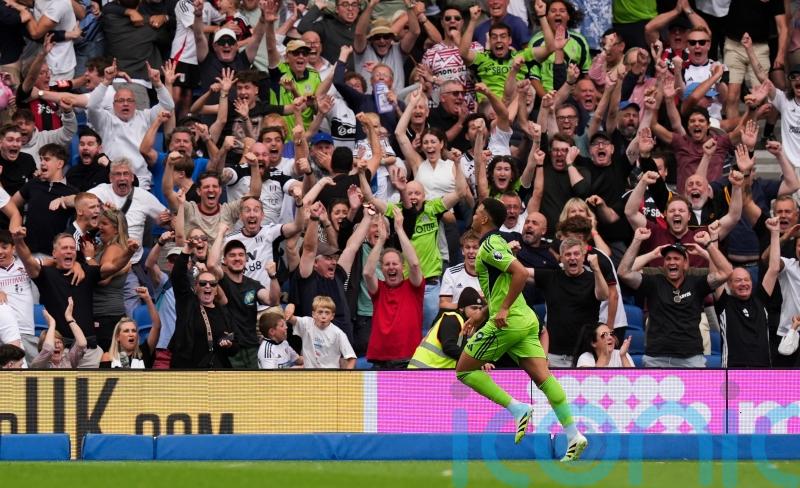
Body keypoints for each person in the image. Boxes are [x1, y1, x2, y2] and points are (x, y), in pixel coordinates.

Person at [456, 198, 587, 462]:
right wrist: (482, 314)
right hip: (526, 319)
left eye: (478, 211)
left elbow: (518, 274)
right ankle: (574, 435)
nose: (473, 214)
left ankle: (517, 408)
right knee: (543, 377)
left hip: (509, 321)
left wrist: (501, 310)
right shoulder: (500, 243)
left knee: (465, 370)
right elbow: (501, 283)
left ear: (484, 219)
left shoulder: (490, 243)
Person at [618, 226, 732, 367]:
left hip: (691, 359)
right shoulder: (653, 281)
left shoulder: (696, 282)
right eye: (668, 259)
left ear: (685, 263)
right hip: (656, 358)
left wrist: (707, 247)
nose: (672, 262)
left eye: (677, 259)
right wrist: (638, 241)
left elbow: (726, 272)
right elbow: (623, 272)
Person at [714, 217, 781, 367]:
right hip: (732, 373)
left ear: (752, 282)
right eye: (738, 280)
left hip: (762, 372)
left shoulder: (761, 300)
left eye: (746, 279)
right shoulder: (724, 303)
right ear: (729, 285)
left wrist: (775, 233)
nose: (743, 283)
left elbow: (774, 269)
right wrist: (712, 240)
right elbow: (717, 273)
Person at [363, 211, 425, 368]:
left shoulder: (414, 287)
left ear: (402, 267)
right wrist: (381, 240)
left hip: (407, 359)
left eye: (395, 264)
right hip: (380, 360)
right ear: (382, 269)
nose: (391, 267)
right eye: (387, 264)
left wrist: (399, 228)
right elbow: (367, 273)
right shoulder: (379, 289)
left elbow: (415, 264)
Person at [168, 238, 237, 369]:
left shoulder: (224, 312)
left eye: (212, 284)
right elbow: (177, 276)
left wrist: (230, 345)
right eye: (203, 283)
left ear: (216, 290)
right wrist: (187, 249)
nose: (207, 286)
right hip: (188, 370)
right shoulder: (188, 303)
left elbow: (235, 346)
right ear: (195, 287)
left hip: (217, 372)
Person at [408, 287, 485, 369]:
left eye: (480, 309)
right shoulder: (452, 319)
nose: (478, 312)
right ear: (461, 308)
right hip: (421, 372)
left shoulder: (463, 324)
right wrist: (475, 360)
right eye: (474, 308)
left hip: (432, 371)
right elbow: (449, 347)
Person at [285, 295, 356, 369]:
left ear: (332, 316)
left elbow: (352, 358)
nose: (323, 316)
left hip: (330, 376)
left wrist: (346, 377)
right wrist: (290, 305)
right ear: (313, 314)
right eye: (320, 312)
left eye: (327, 313)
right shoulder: (306, 323)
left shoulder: (338, 334)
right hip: (309, 375)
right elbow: (289, 318)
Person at [100, 287, 161, 368]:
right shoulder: (107, 357)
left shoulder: (144, 352)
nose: (131, 334)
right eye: (126, 331)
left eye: (134, 331)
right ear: (118, 337)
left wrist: (147, 298)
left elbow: (157, 326)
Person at [30, 297, 87, 368]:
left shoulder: (68, 360)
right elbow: (48, 349)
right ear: (41, 347)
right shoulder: (38, 363)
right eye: (53, 343)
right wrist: (52, 324)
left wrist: (69, 318)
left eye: (59, 342)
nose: (57, 346)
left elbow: (82, 344)